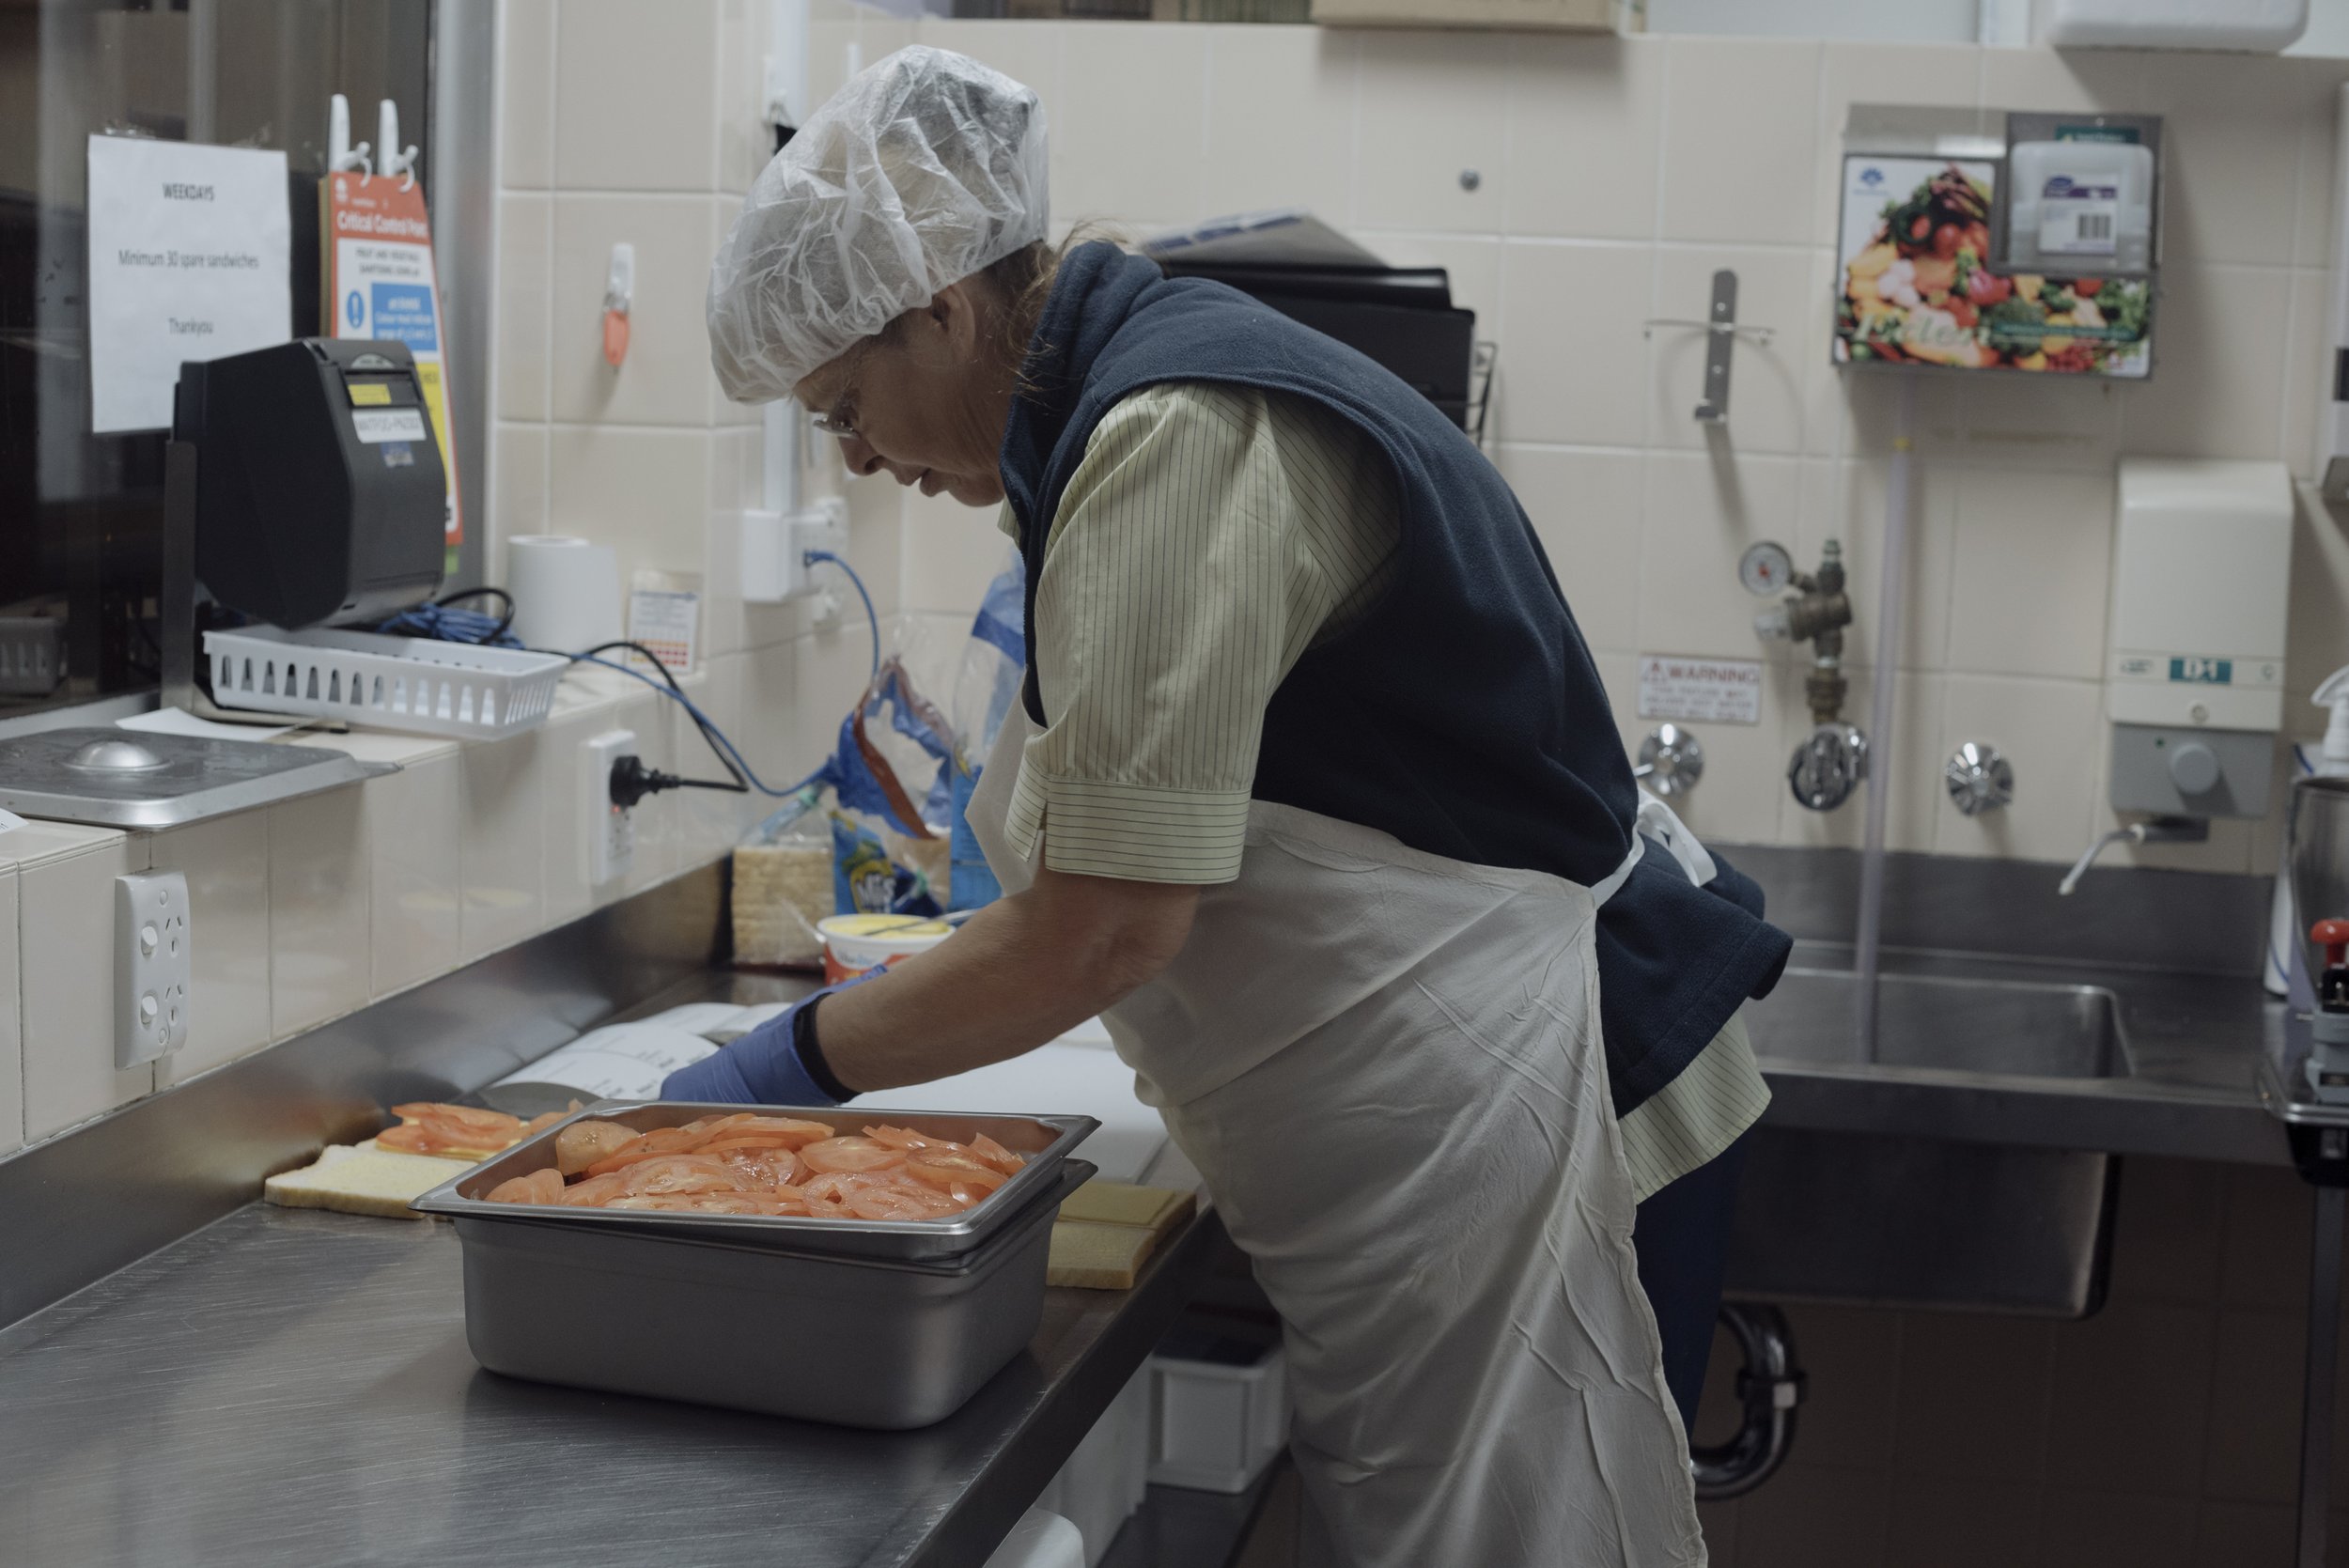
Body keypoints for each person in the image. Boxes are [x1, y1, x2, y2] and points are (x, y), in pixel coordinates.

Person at [677, 45, 1791, 1567]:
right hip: (1442, 1132)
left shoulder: (1172, 435)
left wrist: (782, 1068)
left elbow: (1106, 930)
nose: (859, 454)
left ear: (942, 307)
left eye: (845, 404)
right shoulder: (1121, 419)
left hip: (1539, 1118)